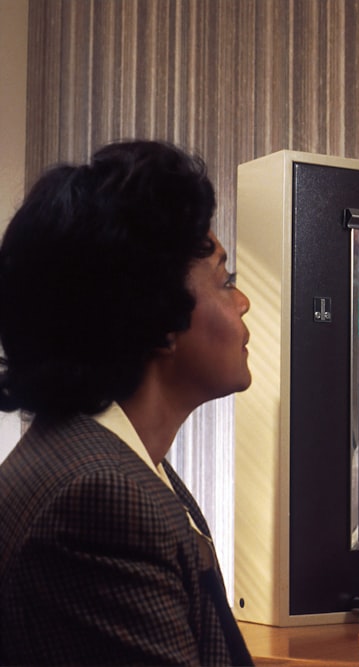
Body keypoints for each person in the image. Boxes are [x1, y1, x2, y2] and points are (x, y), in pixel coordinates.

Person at [0, 140, 254, 665]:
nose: (244, 301)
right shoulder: (101, 498)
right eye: (225, 282)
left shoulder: (113, 465)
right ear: (161, 316)